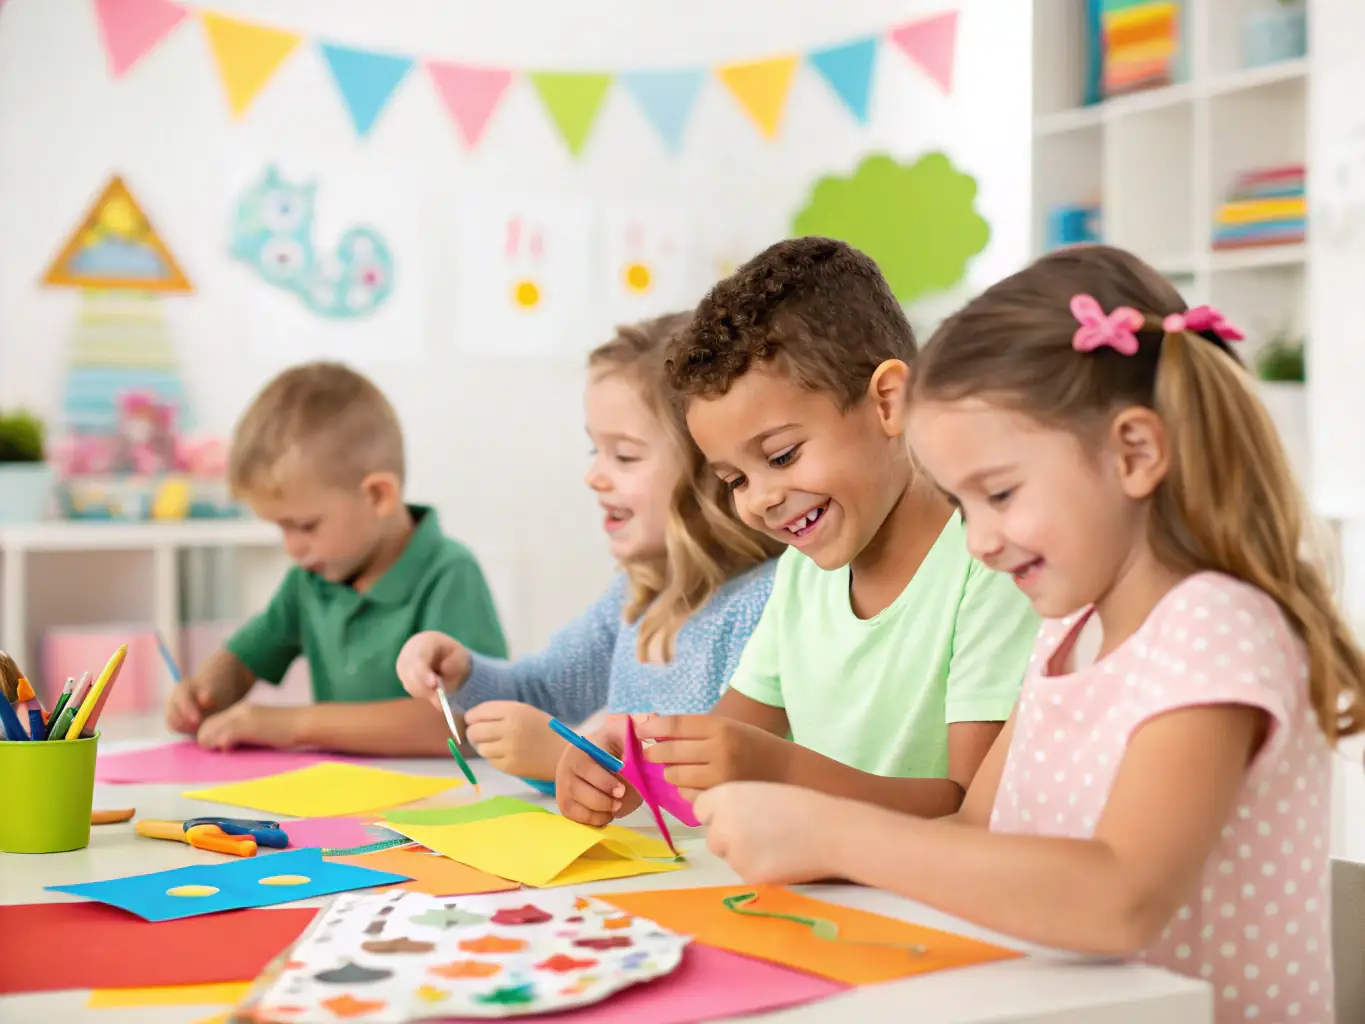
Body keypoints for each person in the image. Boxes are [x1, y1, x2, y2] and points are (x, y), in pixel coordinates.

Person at [695, 245, 1365, 1024]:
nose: (977, 540)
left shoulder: (1215, 630)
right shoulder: (1065, 635)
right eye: (962, 503)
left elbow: (1119, 899)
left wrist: (835, 835)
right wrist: (809, 843)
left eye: (1001, 493)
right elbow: (974, 832)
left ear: (1134, 452)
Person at [556, 237, 1038, 825]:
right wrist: (629, 763)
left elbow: (967, 809)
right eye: (734, 479)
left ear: (889, 401)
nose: (760, 500)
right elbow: (716, 752)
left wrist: (777, 768)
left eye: (781, 456)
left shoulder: (987, 565)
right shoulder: (801, 575)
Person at [396, 312, 781, 782]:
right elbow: (539, 691)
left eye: (624, 456)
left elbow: (717, 775)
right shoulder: (634, 600)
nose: (594, 476)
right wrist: (463, 674)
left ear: (714, 470)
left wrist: (565, 758)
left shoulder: (766, 604)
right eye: (593, 451)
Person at [166, 362, 507, 756]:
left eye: (306, 526)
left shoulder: (449, 573)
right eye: (282, 528)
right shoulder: (310, 581)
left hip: (446, 800)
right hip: (338, 799)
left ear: (378, 495)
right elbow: (244, 661)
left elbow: (452, 725)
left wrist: (291, 724)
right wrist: (207, 691)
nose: (292, 548)